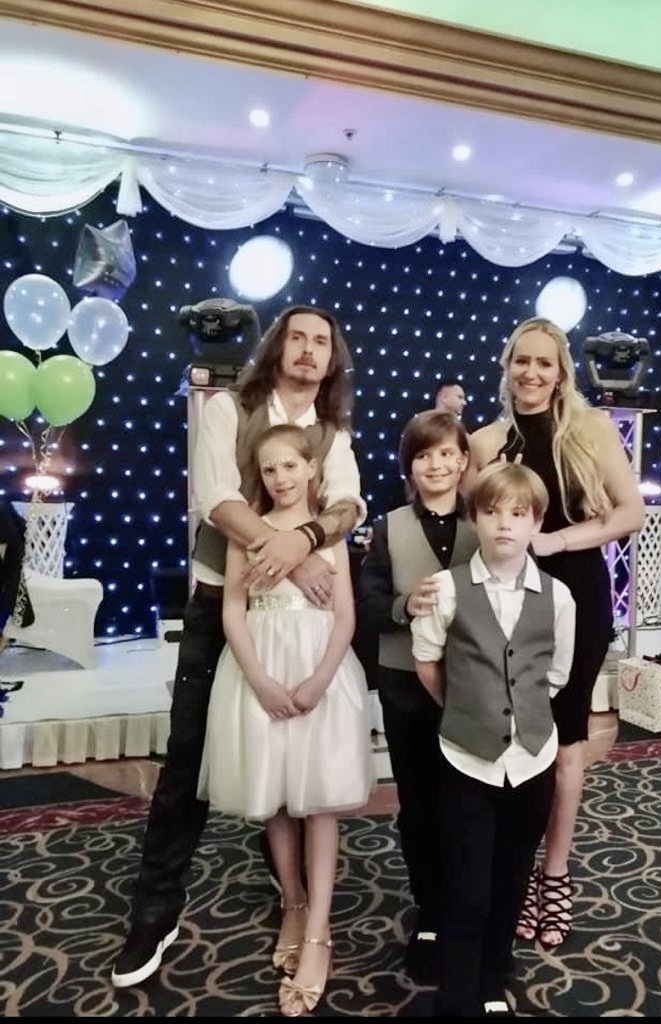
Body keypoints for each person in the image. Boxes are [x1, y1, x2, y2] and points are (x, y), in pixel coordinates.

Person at [111, 305, 367, 988]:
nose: (308, 349)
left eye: (321, 341)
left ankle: (298, 896)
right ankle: (156, 909)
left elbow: (348, 506)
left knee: (298, 764)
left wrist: (303, 543)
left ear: (332, 358)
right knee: (186, 758)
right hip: (225, 605)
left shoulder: (333, 432)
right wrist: (282, 551)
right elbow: (217, 500)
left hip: (309, 616)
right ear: (277, 346)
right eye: (297, 337)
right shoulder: (229, 408)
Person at [466, 316, 645, 950]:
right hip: (504, 602)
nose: (532, 372)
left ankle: (555, 874)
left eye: (545, 362)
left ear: (562, 371)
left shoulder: (591, 431)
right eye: (522, 360)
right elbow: (470, 524)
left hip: (577, 598)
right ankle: (515, 872)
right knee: (513, 738)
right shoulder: (485, 442)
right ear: (507, 368)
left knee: (566, 742)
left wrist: (561, 540)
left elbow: (631, 511)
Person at [198, 423, 374, 1017]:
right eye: (269, 468)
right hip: (262, 672)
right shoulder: (245, 531)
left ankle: (319, 929)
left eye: (290, 466)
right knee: (274, 795)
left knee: (318, 801)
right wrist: (260, 680)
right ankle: (292, 901)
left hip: (319, 671)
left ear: (312, 469)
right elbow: (233, 612)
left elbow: (345, 616)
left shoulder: (329, 535)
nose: (280, 478)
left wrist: (321, 677)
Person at [412, 461, 576, 1017]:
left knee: (511, 878)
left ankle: (493, 979)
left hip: (532, 761)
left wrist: (521, 716)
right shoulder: (446, 589)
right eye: (491, 511)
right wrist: (467, 711)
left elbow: (556, 675)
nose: (505, 523)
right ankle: (456, 994)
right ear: (474, 519)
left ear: (536, 523)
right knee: (467, 885)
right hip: (467, 761)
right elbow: (428, 663)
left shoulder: (558, 598)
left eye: (518, 513)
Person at [355, 410, 477, 984]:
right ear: (409, 465)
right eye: (424, 455)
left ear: (464, 460)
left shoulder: (487, 519)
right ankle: (429, 908)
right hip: (405, 685)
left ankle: (468, 903)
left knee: (468, 802)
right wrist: (405, 606)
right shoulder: (389, 527)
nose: (437, 465)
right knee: (419, 803)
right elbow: (368, 605)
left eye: (447, 453)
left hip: (474, 685)